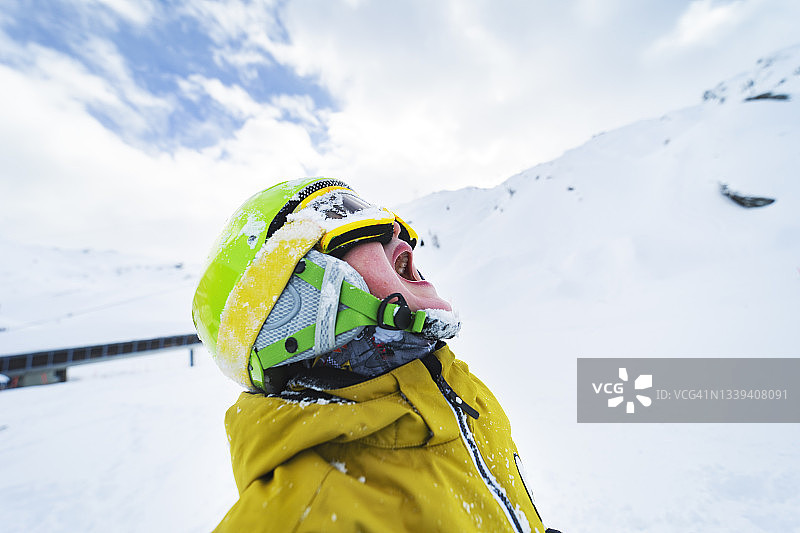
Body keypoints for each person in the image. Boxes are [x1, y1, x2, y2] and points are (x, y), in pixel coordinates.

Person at [192, 178, 561, 532]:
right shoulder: (303, 514)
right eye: (347, 216)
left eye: (386, 218)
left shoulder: (458, 392)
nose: (400, 233)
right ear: (292, 299)